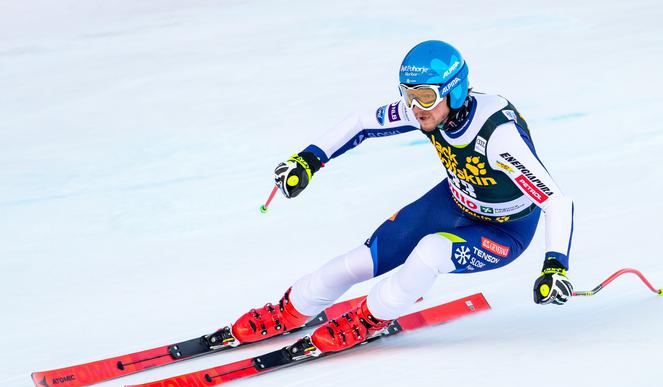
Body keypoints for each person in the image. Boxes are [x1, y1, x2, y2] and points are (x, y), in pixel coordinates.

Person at [232, 40, 574, 353]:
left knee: (430, 253)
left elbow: (555, 202)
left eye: (424, 96)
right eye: (407, 95)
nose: (414, 107)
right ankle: (291, 310)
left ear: (453, 93)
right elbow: (361, 122)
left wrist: (555, 266)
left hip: (504, 231)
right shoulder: (429, 110)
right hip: (453, 203)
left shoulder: (498, 135)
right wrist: (308, 160)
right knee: (361, 261)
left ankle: (370, 317)